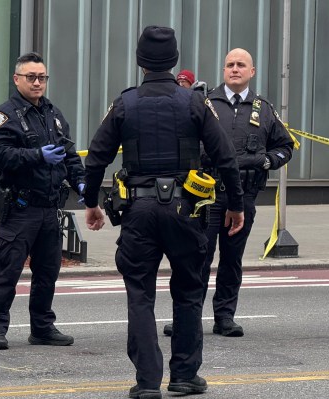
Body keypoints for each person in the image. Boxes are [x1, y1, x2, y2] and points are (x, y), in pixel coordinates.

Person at [83, 26, 245, 398]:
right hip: (185, 210)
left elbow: (96, 159)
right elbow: (225, 157)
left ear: (140, 61)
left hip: (138, 210)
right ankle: (185, 375)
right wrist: (235, 206)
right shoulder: (194, 102)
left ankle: (147, 382)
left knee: (140, 293)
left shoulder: (125, 103)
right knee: (188, 290)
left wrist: (91, 203)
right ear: (174, 60)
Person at [164, 48, 294, 339]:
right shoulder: (204, 103)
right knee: (197, 257)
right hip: (206, 197)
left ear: (252, 72)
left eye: (241, 65)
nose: (235, 69)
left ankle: (225, 317)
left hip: (244, 197)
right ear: (224, 71)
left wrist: (265, 160)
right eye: (230, 65)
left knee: (232, 260)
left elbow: (285, 147)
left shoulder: (264, 110)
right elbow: (183, 142)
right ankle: (188, 316)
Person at [0, 52, 86, 350]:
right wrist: (37, 155)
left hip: (49, 207)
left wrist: (79, 180)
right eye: (31, 77)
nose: (37, 82)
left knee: (47, 272)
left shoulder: (53, 114)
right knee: (8, 271)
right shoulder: (5, 115)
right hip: (20, 208)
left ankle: (42, 327)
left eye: (42, 77)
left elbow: (69, 154)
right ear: (17, 79)